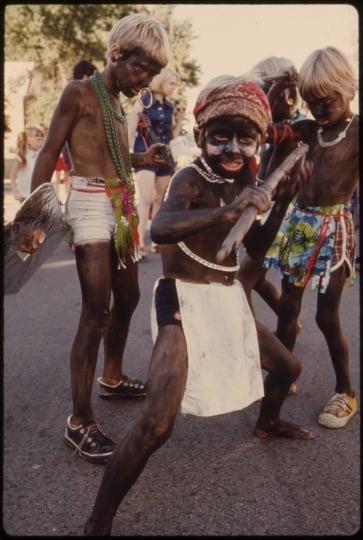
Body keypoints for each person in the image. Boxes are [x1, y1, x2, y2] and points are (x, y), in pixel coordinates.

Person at [84, 75, 314, 536]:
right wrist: (228, 211)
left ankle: (267, 423)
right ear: (202, 136)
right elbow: (160, 231)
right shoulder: (191, 177)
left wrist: (283, 199)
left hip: (226, 297)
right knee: (156, 425)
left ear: (258, 142)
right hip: (183, 296)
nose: (232, 148)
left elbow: (256, 248)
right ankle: (97, 522)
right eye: (220, 137)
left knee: (288, 368)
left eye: (245, 139)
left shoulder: (248, 178)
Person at [29, 13, 171, 464]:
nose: (143, 80)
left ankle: (111, 375)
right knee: (96, 310)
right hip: (89, 205)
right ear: (116, 53)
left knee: (128, 296)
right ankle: (80, 422)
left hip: (123, 206)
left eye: (150, 74)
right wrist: (34, 217)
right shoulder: (80, 92)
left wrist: (140, 156)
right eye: (138, 69)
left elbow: (108, 151)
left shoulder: (115, 101)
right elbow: (51, 150)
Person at [262, 47, 359, 428]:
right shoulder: (305, 130)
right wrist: (279, 89)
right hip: (298, 228)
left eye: (327, 100)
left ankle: (346, 391)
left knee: (326, 316)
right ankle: (284, 373)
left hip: (334, 231)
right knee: (288, 309)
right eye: (311, 101)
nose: (319, 109)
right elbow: (267, 130)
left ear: (349, 88)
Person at [237, 59, 305, 346]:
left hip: (288, 221)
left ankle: (256, 350)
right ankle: (287, 330)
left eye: (263, 92)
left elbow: (276, 185)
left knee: (242, 281)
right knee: (255, 277)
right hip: (274, 218)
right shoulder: (277, 127)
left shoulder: (295, 130)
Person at [128, 66, 185, 258]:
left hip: (164, 156)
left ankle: (157, 240)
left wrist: (181, 118)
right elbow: (132, 123)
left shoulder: (169, 106)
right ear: (161, 81)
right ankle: (138, 242)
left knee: (160, 199)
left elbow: (172, 135)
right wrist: (125, 151)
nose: (173, 87)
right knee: (144, 200)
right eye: (171, 83)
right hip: (143, 153)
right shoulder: (145, 99)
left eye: (175, 84)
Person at [9, 126, 45, 203]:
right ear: (28, 140)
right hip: (25, 195)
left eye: (42, 139)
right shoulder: (21, 155)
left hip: (38, 194)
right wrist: (15, 192)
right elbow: (12, 175)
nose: (41, 142)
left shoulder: (41, 155)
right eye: (38, 139)